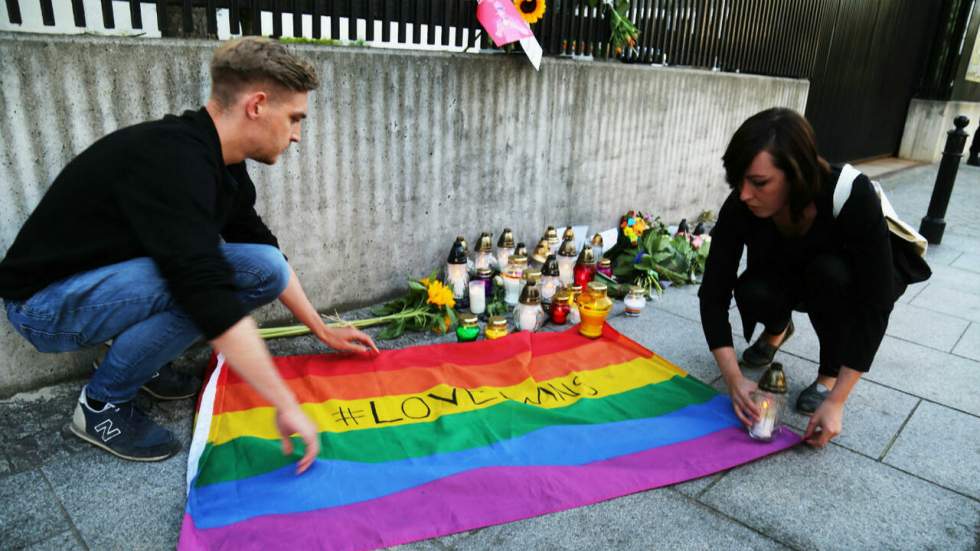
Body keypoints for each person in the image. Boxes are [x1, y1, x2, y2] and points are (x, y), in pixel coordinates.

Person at [0, 37, 377, 470]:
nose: (296, 136)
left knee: (262, 267)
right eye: (294, 118)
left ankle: (142, 360)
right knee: (197, 279)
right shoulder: (175, 162)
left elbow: (263, 252)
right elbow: (204, 288)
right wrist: (283, 401)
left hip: (99, 286)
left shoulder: (222, 162)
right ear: (256, 105)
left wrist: (320, 328)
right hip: (45, 306)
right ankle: (101, 404)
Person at [698, 108, 904, 448]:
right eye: (739, 181)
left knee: (830, 274)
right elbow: (713, 292)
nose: (745, 193)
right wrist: (733, 378)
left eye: (759, 182)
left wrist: (836, 400)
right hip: (783, 274)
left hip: (836, 282)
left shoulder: (852, 196)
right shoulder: (741, 204)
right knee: (752, 289)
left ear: (796, 174)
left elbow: (875, 306)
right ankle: (777, 329)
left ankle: (827, 373)